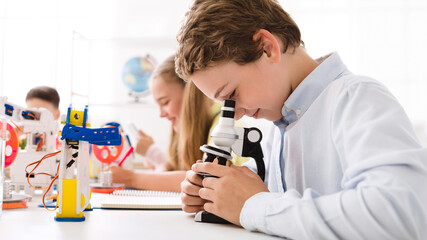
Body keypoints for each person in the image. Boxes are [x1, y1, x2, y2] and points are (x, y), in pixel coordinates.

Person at [175, 0, 427, 239]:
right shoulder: (280, 125)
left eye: (232, 95)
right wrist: (215, 195)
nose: (237, 114)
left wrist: (255, 206)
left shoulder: (356, 97)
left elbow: (399, 215)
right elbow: (282, 201)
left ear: (266, 47)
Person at [109, 55, 247, 192]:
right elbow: (183, 172)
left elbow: (207, 179)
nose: (161, 114)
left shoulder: (226, 125)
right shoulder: (198, 128)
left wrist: (131, 178)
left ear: (189, 95)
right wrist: (163, 165)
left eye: (165, 103)